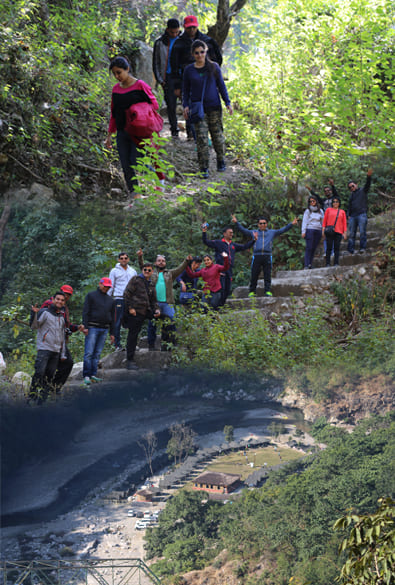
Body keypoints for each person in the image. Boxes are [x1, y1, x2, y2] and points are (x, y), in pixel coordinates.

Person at [105, 55, 164, 199]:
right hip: (122, 132)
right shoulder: (115, 90)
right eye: (114, 74)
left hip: (139, 132)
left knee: (135, 161)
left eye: (119, 72)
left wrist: (138, 110)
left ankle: (159, 178)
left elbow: (154, 104)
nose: (117, 76)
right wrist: (109, 137)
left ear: (127, 69)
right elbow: (114, 113)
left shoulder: (140, 85)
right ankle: (135, 196)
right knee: (126, 165)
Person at [183, 40, 232, 178]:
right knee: (202, 139)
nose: (200, 55)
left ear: (206, 51)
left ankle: (221, 160)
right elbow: (185, 90)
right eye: (197, 53)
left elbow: (221, 86)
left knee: (217, 137)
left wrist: (227, 102)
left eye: (202, 52)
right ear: (193, 54)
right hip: (198, 109)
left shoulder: (214, 67)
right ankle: (204, 167)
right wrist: (185, 105)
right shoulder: (189, 70)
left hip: (214, 107)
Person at [170, 15, 222, 140]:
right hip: (187, 80)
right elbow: (174, 65)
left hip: (206, 80)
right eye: (189, 28)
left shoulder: (207, 41)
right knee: (189, 104)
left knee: (207, 105)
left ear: (197, 26)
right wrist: (177, 85)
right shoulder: (179, 44)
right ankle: (191, 133)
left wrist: (212, 74)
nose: (192, 30)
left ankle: (207, 133)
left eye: (193, 27)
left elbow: (218, 59)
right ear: (185, 27)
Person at [232, 214, 298, 296]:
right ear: (258, 225)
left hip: (267, 256)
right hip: (256, 256)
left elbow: (282, 230)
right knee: (254, 274)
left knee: (267, 274)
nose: (262, 225)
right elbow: (243, 230)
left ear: (267, 224)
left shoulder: (271, 232)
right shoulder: (254, 232)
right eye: (261, 223)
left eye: (264, 223)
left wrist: (291, 224)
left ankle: (267, 291)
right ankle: (252, 291)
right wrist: (236, 223)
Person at [138, 252, 191, 350]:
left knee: (171, 320)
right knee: (152, 323)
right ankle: (151, 345)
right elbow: (143, 266)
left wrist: (186, 261)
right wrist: (140, 257)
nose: (161, 262)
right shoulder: (151, 272)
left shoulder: (170, 273)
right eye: (159, 261)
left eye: (163, 261)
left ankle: (169, 344)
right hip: (154, 303)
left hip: (168, 303)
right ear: (155, 263)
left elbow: (180, 269)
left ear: (165, 263)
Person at [38, 284, 84, 390]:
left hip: (60, 341)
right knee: (44, 369)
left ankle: (53, 388)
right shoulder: (49, 304)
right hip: (48, 341)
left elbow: (65, 325)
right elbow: (40, 321)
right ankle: (40, 392)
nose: (66, 296)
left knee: (66, 364)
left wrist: (77, 327)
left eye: (68, 295)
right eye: (65, 293)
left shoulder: (64, 307)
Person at [29, 291, 67, 404]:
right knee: (39, 372)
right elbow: (34, 326)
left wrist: (63, 353)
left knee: (49, 376)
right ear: (53, 300)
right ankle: (32, 397)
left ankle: (42, 400)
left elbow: (62, 336)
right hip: (44, 348)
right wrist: (34, 313)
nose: (59, 301)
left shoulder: (61, 317)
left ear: (64, 303)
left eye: (62, 300)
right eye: (58, 299)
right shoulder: (45, 312)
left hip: (55, 351)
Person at [202, 224, 255, 304]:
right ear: (224, 234)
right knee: (221, 289)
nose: (231, 234)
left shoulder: (233, 245)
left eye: (232, 233)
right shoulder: (218, 243)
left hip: (229, 270)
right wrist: (204, 231)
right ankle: (215, 308)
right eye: (230, 232)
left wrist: (253, 240)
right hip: (220, 270)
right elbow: (206, 241)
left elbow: (244, 246)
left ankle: (221, 307)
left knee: (227, 289)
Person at [123, 263, 161, 370]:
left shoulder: (151, 284)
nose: (147, 272)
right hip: (135, 311)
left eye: (149, 270)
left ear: (152, 272)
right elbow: (126, 294)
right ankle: (130, 360)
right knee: (133, 334)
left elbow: (153, 300)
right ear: (142, 270)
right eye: (145, 270)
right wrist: (130, 308)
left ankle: (158, 346)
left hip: (146, 310)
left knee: (165, 318)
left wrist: (157, 309)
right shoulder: (136, 279)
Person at [82, 278, 115, 386]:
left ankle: (93, 374)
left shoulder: (110, 300)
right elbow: (85, 311)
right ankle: (86, 375)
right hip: (92, 327)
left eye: (108, 287)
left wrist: (112, 333)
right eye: (104, 286)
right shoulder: (91, 296)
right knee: (89, 352)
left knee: (97, 353)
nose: (106, 288)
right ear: (100, 284)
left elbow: (113, 317)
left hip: (104, 328)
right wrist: (85, 326)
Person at [153, 19, 181, 138]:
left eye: (176, 32)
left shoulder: (183, 40)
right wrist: (160, 80)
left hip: (182, 76)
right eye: (172, 32)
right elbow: (155, 63)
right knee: (171, 105)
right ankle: (174, 131)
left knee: (188, 103)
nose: (174, 34)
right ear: (167, 30)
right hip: (167, 77)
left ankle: (191, 132)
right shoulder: (160, 43)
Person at [108, 252, 137, 350]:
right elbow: (111, 285)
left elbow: (136, 285)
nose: (124, 260)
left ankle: (132, 344)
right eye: (122, 258)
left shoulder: (132, 271)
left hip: (131, 300)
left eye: (125, 258)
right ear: (119, 260)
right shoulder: (114, 271)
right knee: (117, 322)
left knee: (132, 322)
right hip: (119, 298)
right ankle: (117, 345)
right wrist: (107, 299)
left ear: (128, 259)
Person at [347, 168, 373, 254]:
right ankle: (351, 249)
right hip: (353, 216)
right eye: (350, 187)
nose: (351, 188)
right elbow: (349, 206)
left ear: (356, 185)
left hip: (362, 214)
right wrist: (348, 214)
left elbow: (367, 185)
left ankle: (362, 248)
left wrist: (368, 177)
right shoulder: (351, 195)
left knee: (362, 232)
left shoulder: (362, 191)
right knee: (351, 234)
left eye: (352, 186)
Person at [322, 196, 347, 266]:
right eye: (334, 202)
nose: (335, 203)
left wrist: (345, 232)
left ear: (339, 203)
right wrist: (323, 229)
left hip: (339, 231)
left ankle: (336, 263)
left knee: (337, 248)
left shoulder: (342, 212)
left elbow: (344, 223)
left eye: (337, 202)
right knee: (329, 248)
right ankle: (327, 263)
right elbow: (325, 220)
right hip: (329, 231)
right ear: (332, 203)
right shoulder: (328, 210)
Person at [301, 196, 324, 269]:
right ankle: (306, 264)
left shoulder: (320, 211)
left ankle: (310, 264)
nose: (312, 203)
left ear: (316, 201)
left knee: (314, 247)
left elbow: (323, 221)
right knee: (309, 247)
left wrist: (323, 231)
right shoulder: (308, 211)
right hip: (310, 229)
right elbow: (304, 221)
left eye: (313, 201)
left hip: (318, 230)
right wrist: (303, 231)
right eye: (310, 201)